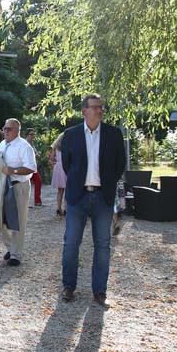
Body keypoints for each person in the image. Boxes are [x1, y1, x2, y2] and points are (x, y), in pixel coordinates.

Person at [61, 94, 126, 306]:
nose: (99, 110)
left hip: (102, 197)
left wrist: (105, 185)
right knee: (71, 243)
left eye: (101, 107)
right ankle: (68, 286)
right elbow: (67, 165)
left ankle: (100, 291)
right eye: (95, 107)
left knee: (103, 246)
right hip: (77, 198)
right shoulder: (70, 135)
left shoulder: (113, 134)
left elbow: (119, 165)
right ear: (84, 111)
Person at [0, 118, 37, 266]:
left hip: (19, 185)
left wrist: (14, 170)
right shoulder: (1, 144)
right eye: (4, 128)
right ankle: (11, 246)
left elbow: (31, 167)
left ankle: (16, 254)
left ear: (17, 131)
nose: (6, 131)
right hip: (2, 186)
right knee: (0, 220)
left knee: (18, 221)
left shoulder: (24, 146)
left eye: (9, 129)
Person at [49, 132, 67, 217]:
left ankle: (58, 208)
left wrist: (55, 163)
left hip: (58, 168)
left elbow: (51, 158)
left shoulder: (56, 146)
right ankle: (66, 209)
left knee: (60, 191)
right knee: (67, 190)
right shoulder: (68, 145)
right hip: (66, 167)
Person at [25, 128, 43, 207]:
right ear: (27, 135)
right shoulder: (25, 144)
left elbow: (34, 154)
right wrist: (35, 155)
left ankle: (37, 201)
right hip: (26, 167)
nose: (33, 136)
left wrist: (37, 155)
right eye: (31, 134)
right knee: (26, 185)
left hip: (33, 167)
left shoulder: (32, 143)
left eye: (34, 134)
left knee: (38, 182)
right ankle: (25, 203)